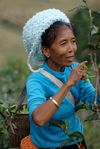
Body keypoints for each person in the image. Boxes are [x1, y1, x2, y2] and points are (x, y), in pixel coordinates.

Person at [21, 8, 99, 149]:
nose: (71, 48)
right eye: (63, 44)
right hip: (46, 146)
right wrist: (68, 84)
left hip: (76, 142)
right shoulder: (36, 81)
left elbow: (94, 103)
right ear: (46, 51)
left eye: (73, 41)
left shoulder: (75, 69)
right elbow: (38, 118)